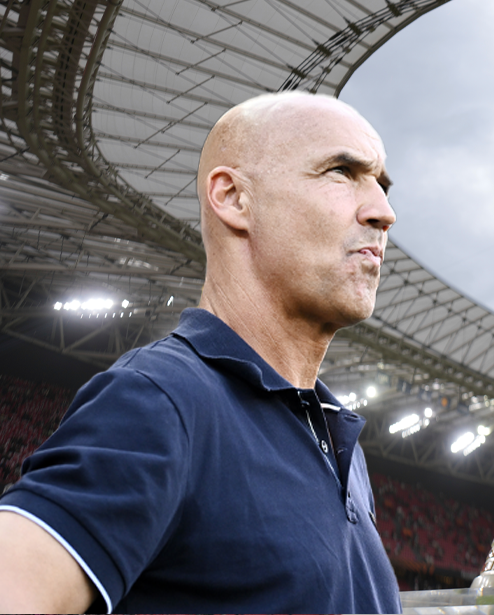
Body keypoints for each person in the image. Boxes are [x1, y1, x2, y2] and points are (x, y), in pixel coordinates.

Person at [0, 92, 403, 613]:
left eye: (383, 185)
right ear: (234, 198)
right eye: (342, 171)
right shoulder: (162, 401)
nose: (383, 212)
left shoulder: (337, 439)